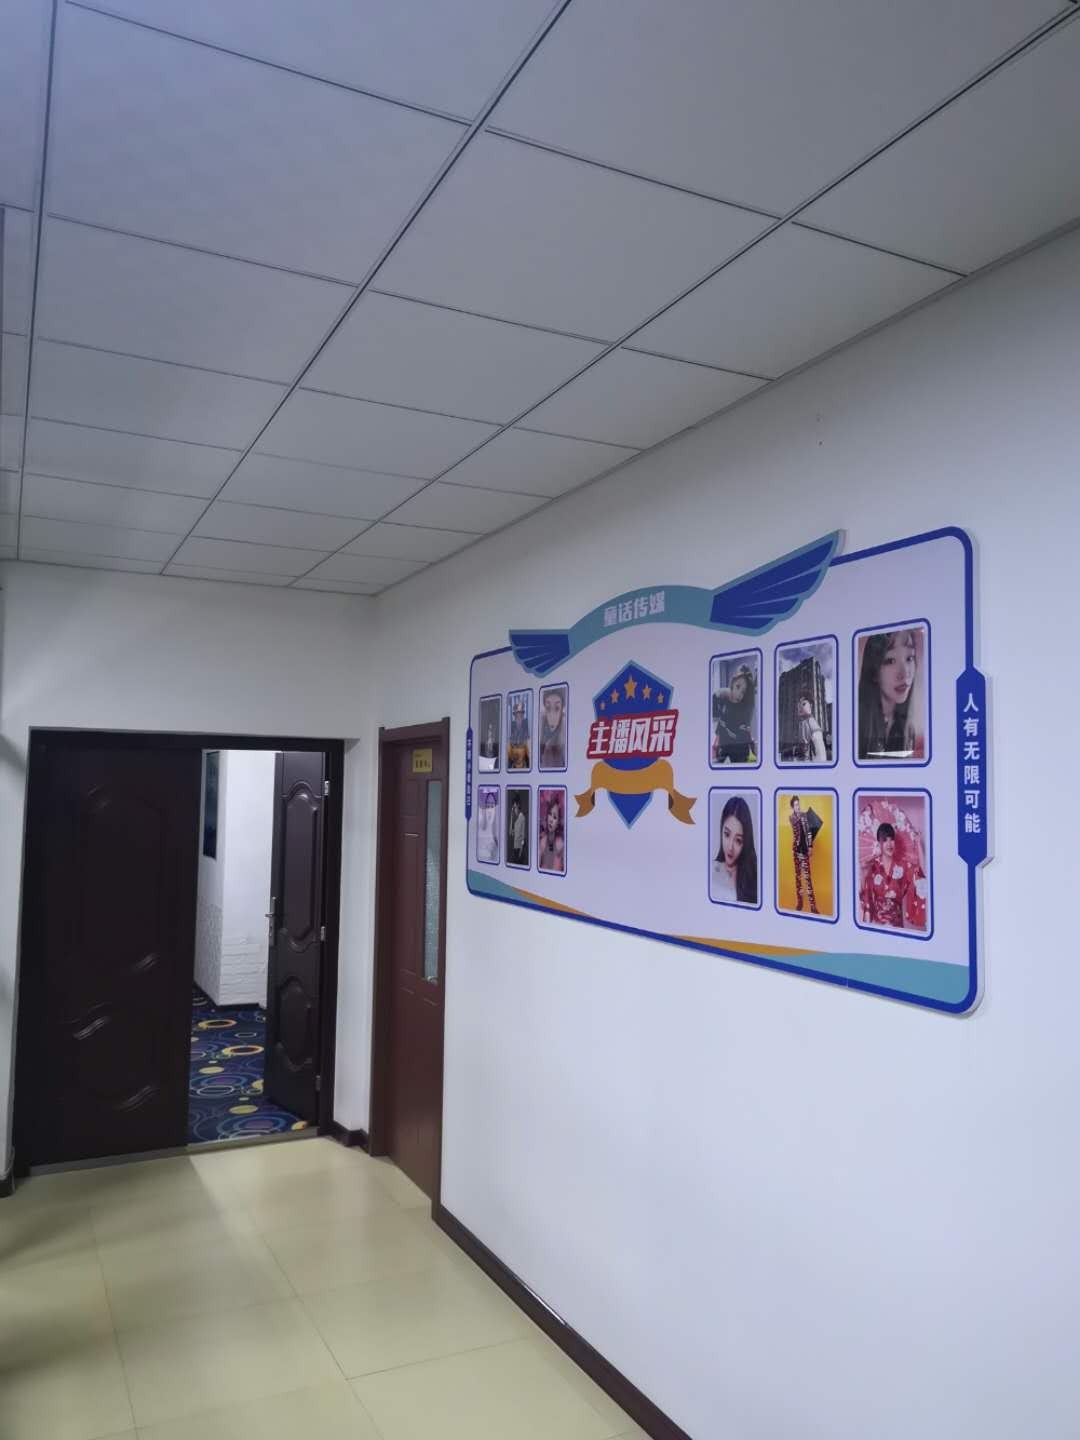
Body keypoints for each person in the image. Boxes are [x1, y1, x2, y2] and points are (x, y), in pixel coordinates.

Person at [858, 629, 922, 760]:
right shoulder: (858, 723)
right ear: (874, 671)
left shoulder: (908, 728)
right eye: (890, 660)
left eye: (909, 658)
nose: (904, 673)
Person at [859, 819, 927, 928]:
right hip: (876, 926)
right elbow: (862, 892)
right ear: (879, 843)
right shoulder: (872, 867)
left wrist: (918, 843)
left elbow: (921, 875)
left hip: (896, 927)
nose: (889, 844)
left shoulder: (902, 866)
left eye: (892, 839)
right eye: (885, 840)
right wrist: (862, 870)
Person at [712, 794, 757, 904]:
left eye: (738, 840)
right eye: (727, 834)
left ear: (745, 843)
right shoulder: (710, 869)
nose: (730, 847)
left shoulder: (752, 880)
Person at [711, 665, 757, 764]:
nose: (739, 694)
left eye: (743, 691)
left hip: (740, 748)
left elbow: (746, 729)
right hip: (725, 745)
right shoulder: (723, 695)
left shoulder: (746, 704)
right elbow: (715, 696)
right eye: (738, 686)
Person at [788, 795, 820, 914]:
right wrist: (802, 817)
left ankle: (813, 906)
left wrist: (810, 846)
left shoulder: (804, 816)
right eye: (796, 804)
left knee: (807, 878)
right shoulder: (792, 818)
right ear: (792, 806)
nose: (798, 806)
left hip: (804, 850)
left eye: (799, 804)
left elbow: (808, 832)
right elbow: (795, 825)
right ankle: (800, 902)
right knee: (798, 878)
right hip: (796, 851)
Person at [539, 687, 567, 769]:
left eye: (557, 708)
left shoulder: (565, 731)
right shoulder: (541, 725)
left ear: (562, 709)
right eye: (548, 708)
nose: (552, 716)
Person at [538, 794, 565, 873]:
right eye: (550, 814)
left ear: (558, 822)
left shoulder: (561, 844)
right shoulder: (542, 842)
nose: (551, 820)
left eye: (555, 817)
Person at [797, 696, 828, 762]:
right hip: (820, 757)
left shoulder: (805, 722)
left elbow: (804, 744)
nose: (800, 706)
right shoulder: (811, 721)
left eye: (803, 704)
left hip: (815, 757)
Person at [508, 696, 530, 770]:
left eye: (521, 716)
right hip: (514, 766)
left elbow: (529, 753)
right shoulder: (511, 733)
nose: (519, 719)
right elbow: (509, 753)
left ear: (523, 716)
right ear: (515, 717)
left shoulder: (527, 732)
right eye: (517, 717)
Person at [477, 790, 499, 863]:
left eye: (492, 803)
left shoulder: (496, 814)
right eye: (488, 803)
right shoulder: (482, 814)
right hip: (482, 853)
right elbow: (483, 826)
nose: (490, 806)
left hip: (491, 853)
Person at [508, 793, 528, 865]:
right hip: (515, 849)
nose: (514, 810)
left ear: (518, 806)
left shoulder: (522, 818)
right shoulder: (515, 820)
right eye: (513, 808)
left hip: (519, 850)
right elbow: (510, 833)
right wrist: (511, 817)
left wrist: (521, 852)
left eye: (515, 807)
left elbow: (523, 837)